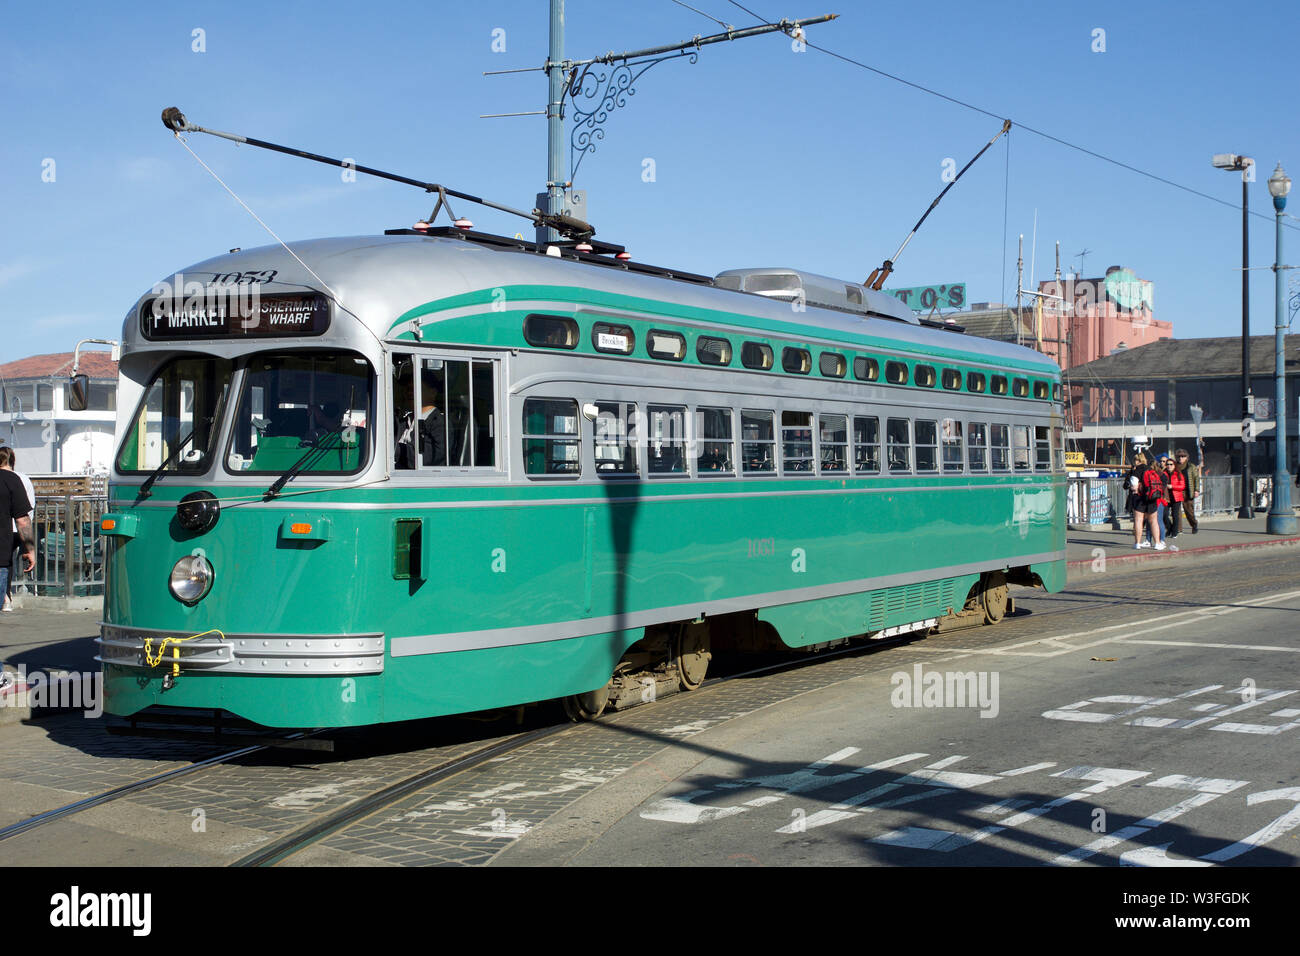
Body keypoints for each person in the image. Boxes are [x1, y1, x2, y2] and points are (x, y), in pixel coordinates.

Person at [0, 447, 36, 615]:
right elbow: (23, 519)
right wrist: (30, 549)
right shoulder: (14, 480)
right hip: (4, 542)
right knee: (7, 564)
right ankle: (7, 598)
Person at [1126, 453, 1156, 549]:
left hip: (1139, 498)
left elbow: (1134, 487)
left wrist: (1131, 485)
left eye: (1134, 460)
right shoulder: (1150, 469)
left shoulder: (1136, 471)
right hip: (1151, 497)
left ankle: (1137, 543)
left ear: (1137, 461)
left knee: (1138, 520)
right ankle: (1158, 543)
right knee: (1154, 521)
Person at [1175, 448, 1200, 534]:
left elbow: (1196, 478)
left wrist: (1196, 490)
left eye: (1183, 456)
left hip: (1188, 491)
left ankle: (1194, 524)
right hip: (1177, 491)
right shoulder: (1174, 466)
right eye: (1179, 457)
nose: (1180, 458)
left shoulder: (1191, 466)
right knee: (1177, 511)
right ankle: (1178, 529)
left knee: (1189, 510)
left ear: (1187, 457)